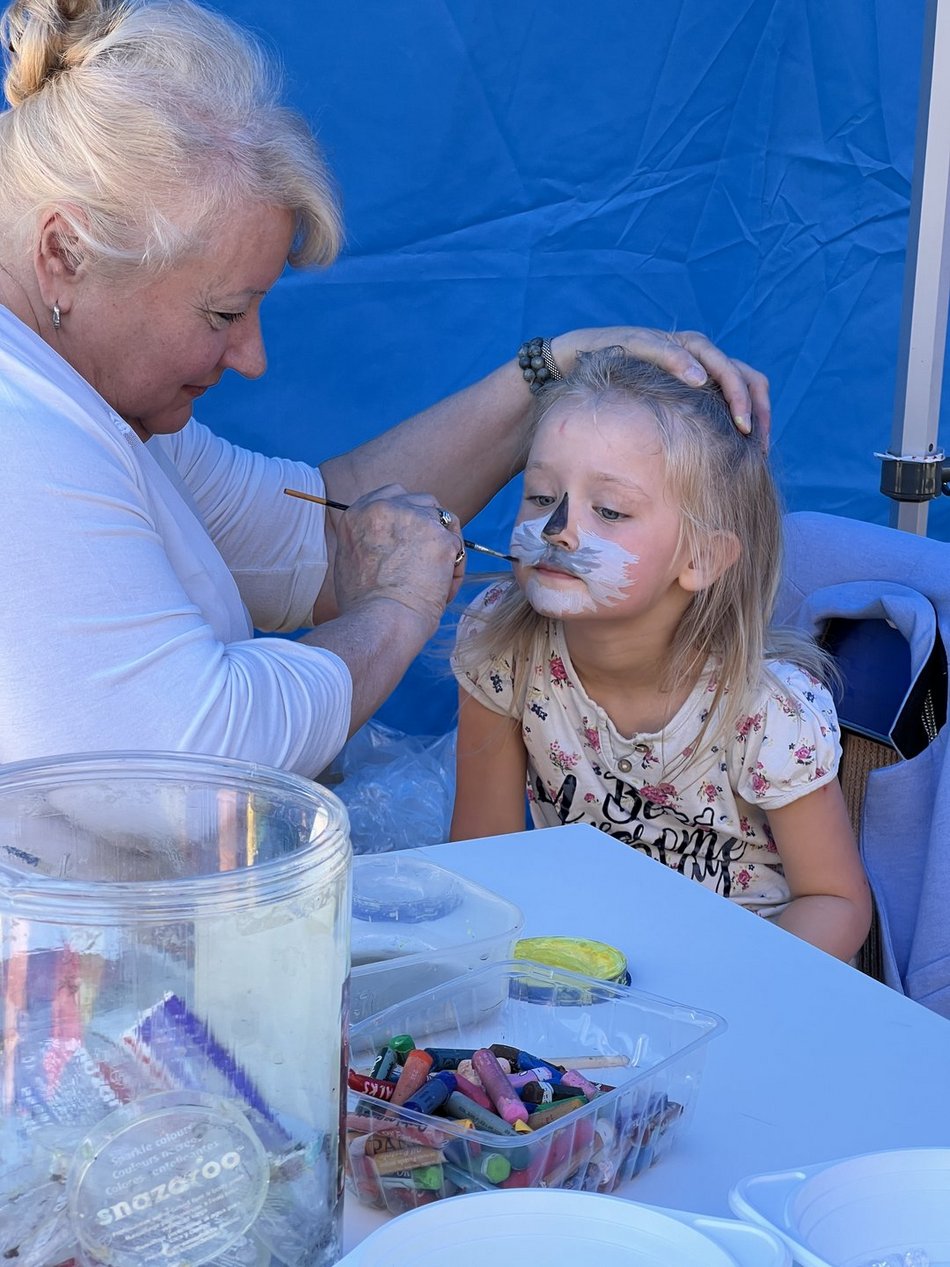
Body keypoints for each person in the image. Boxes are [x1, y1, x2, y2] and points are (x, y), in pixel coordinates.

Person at [0, 0, 769, 779]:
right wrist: (395, 613)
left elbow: (320, 532)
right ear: (65, 251)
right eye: (223, 312)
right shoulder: (21, 436)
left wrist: (550, 373)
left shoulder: (98, 409)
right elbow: (190, 757)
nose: (252, 356)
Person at [450, 349, 871, 961]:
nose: (557, 530)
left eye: (610, 510)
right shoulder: (501, 644)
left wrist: (730, 994)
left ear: (701, 558)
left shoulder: (769, 712)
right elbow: (480, 862)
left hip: (741, 976)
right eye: (541, 496)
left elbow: (836, 903)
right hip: (579, 968)